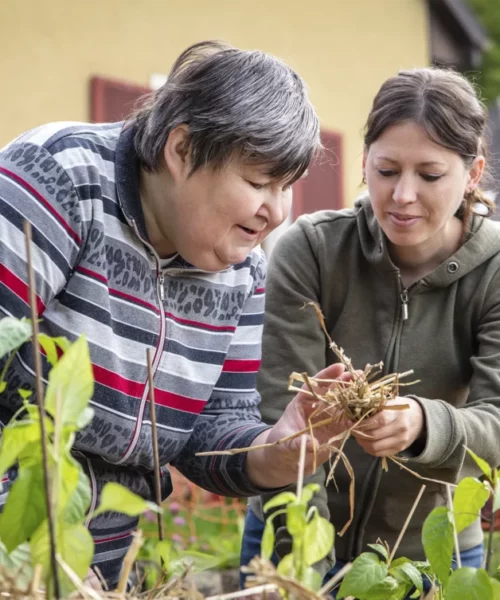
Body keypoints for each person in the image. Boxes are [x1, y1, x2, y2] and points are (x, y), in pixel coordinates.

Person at [0, 40, 348, 588]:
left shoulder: (243, 271)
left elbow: (208, 431)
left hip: (116, 568)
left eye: (286, 187)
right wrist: (33, 558)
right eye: (258, 183)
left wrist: (277, 451)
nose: (276, 213)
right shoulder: (58, 178)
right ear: (182, 149)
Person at [242, 66, 500, 596]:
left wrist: (426, 424)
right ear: (364, 162)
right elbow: (282, 416)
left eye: (429, 176)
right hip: (297, 533)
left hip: (431, 552)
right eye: (386, 171)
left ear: (472, 173)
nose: (403, 196)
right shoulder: (311, 251)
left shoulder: (495, 271)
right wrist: (303, 564)